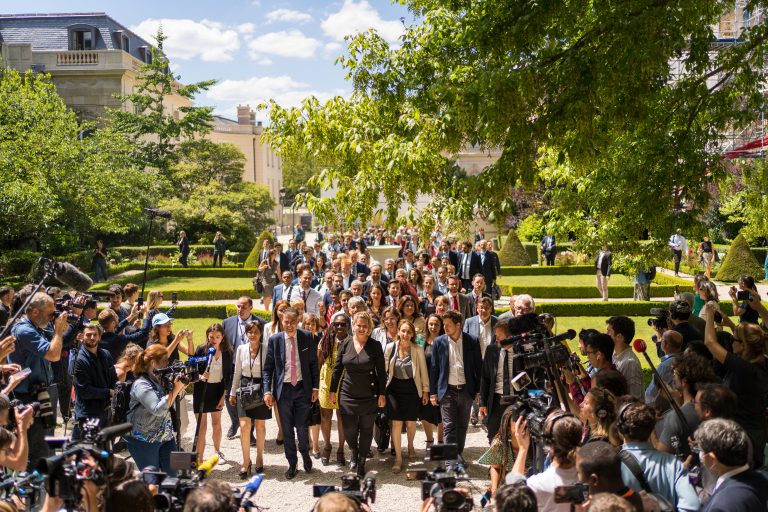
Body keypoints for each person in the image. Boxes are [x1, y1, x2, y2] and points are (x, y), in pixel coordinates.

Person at [703, 306, 768, 467]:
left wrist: (709, 314)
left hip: (744, 437)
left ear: (744, 345)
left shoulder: (743, 368)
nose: (731, 341)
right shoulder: (762, 361)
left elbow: (710, 342)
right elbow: (750, 339)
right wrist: (731, 324)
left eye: (734, 339)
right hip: (757, 430)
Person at [9, 292, 66, 468]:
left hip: (44, 391)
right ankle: (37, 489)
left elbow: (61, 343)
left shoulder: (37, 326)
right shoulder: (24, 330)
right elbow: (54, 354)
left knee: (48, 443)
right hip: (28, 397)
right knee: (38, 449)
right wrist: (58, 331)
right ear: (35, 312)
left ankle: (47, 486)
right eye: (50, 314)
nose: (52, 318)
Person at [263, 307, 320, 479]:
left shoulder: (306, 337)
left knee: (302, 428)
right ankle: (292, 463)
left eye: (292, 322)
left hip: (302, 388)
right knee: (287, 430)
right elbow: (268, 369)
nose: (289, 325)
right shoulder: (275, 340)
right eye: (286, 322)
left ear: (298, 321)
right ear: (281, 321)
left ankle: (304, 453)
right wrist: (267, 391)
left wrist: (315, 388)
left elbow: (313, 365)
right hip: (284, 390)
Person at [329, 311, 387, 477]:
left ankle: (361, 461)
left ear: (369, 328)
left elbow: (381, 372)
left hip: (369, 395)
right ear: (353, 325)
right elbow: (338, 369)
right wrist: (333, 390)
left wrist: (382, 394)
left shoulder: (375, 345)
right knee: (349, 430)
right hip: (347, 395)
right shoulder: (345, 343)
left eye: (364, 326)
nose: (361, 328)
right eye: (358, 325)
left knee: (367, 429)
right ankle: (353, 451)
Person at [616, 402, 700, 511]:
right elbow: (692, 507)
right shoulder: (674, 464)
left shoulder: (613, 465)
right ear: (651, 429)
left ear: (621, 430)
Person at [126, 344, 186, 475]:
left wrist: (180, 387)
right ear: (153, 363)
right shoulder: (141, 384)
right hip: (143, 439)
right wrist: (176, 389)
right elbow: (157, 409)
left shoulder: (160, 378)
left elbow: (173, 398)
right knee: (153, 480)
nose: (168, 364)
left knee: (173, 476)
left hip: (166, 436)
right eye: (165, 361)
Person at [429, 310, 482, 457]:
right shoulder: (439, 342)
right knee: (449, 427)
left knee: (462, 426)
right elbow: (434, 369)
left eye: (448, 325)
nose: (444, 328)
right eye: (443, 325)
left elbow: (478, 367)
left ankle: (457, 455)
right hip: (447, 391)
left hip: (466, 390)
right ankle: (451, 460)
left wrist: (478, 391)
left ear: (458, 325)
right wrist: (433, 393)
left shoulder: (472, 341)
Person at [508, 411, 583, 511]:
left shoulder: (538, 484)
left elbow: (511, 495)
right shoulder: (589, 477)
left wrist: (522, 449)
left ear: (547, 442)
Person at [694, 418, 768, 511]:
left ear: (712, 458)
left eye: (700, 450)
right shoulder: (763, 477)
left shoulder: (722, 506)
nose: (699, 454)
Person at [384, 319, 429, 473]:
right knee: (396, 423)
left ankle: (410, 445)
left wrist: (425, 391)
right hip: (394, 389)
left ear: (412, 334)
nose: (405, 334)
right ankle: (398, 458)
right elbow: (384, 370)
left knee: (410, 423)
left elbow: (423, 371)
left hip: (412, 388)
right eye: (403, 331)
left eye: (409, 332)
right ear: (398, 332)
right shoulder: (390, 348)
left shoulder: (418, 349)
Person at [229, 321, 271, 478]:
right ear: (246, 334)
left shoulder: (266, 348)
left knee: (260, 426)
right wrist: (232, 392)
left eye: (256, 332)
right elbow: (237, 372)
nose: (253, 335)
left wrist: (270, 392)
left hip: (261, 387)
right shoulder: (241, 349)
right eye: (250, 332)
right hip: (245, 386)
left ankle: (260, 456)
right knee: (244, 426)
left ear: (260, 333)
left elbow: (269, 372)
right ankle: (246, 461)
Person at [146, 313, 194, 445]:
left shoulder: (172, 338)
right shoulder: (152, 343)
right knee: (166, 414)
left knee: (181, 417)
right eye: (165, 325)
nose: (169, 327)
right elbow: (162, 356)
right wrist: (176, 340)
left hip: (176, 382)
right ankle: (168, 443)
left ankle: (177, 442)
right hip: (160, 385)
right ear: (157, 328)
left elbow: (190, 353)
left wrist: (189, 339)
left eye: (169, 324)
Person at [222, 296, 265, 441]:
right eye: (238, 306)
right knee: (229, 397)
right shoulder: (227, 323)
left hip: (251, 368)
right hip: (232, 366)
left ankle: (250, 431)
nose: (240, 309)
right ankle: (235, 422)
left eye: (244, 307)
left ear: (251, 307)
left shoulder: (261, 324)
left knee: (252, 398)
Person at [655, 352, 714, 457]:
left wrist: (651, 430)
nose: (673, 378)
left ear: (684, 381)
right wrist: (675, 399)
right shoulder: (715, 404)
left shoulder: (676, 418)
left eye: (675, 374)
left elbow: (660, 455)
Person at [192, 323, 233, 462]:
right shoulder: (202, 350)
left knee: (216, 422)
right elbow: (192, 370)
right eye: (211, 336)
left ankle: (217, 452)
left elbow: (229, 376)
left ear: (222, 337)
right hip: (202, 390)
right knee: (201, 427)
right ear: (207, 336)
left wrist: (224, 397)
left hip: (218, 390)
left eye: (217, 336)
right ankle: (199, 458)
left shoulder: (227, 352)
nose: (214, 339)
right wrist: (201, 376)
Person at [72, 323, 118, 440]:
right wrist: (108, 392)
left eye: (95, 335)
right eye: (88, 335)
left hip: (106, 411)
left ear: (99, 337)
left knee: (104, 450)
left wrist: (116, 390)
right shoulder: (79, 359)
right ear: (82, 336)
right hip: (88, 414)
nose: (92, 338)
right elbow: (85, 391)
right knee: (87, 452)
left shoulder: (106, 354)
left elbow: (114, 378)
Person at [575, 441, 644, 511]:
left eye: (578, 472)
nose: (577, 478)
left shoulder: (599, 509)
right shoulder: (641, 501)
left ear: (594, 480)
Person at [317, 313, 349, 466]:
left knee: (342, 416)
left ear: (348, 326)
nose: (339, 327)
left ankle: (341, 449)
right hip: (327, 381)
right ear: (332, 326)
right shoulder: (326, 340)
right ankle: (328, 445)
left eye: (343, 324)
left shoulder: (351, 342)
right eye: (336, 324)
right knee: (326, 416)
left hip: (344, 382)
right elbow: (318, 362)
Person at [606, 316, 643, 399]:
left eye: (609, 331)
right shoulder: (615, 356)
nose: (606, 335)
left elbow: (634, 398)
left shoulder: (630, 363)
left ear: (619, 337)